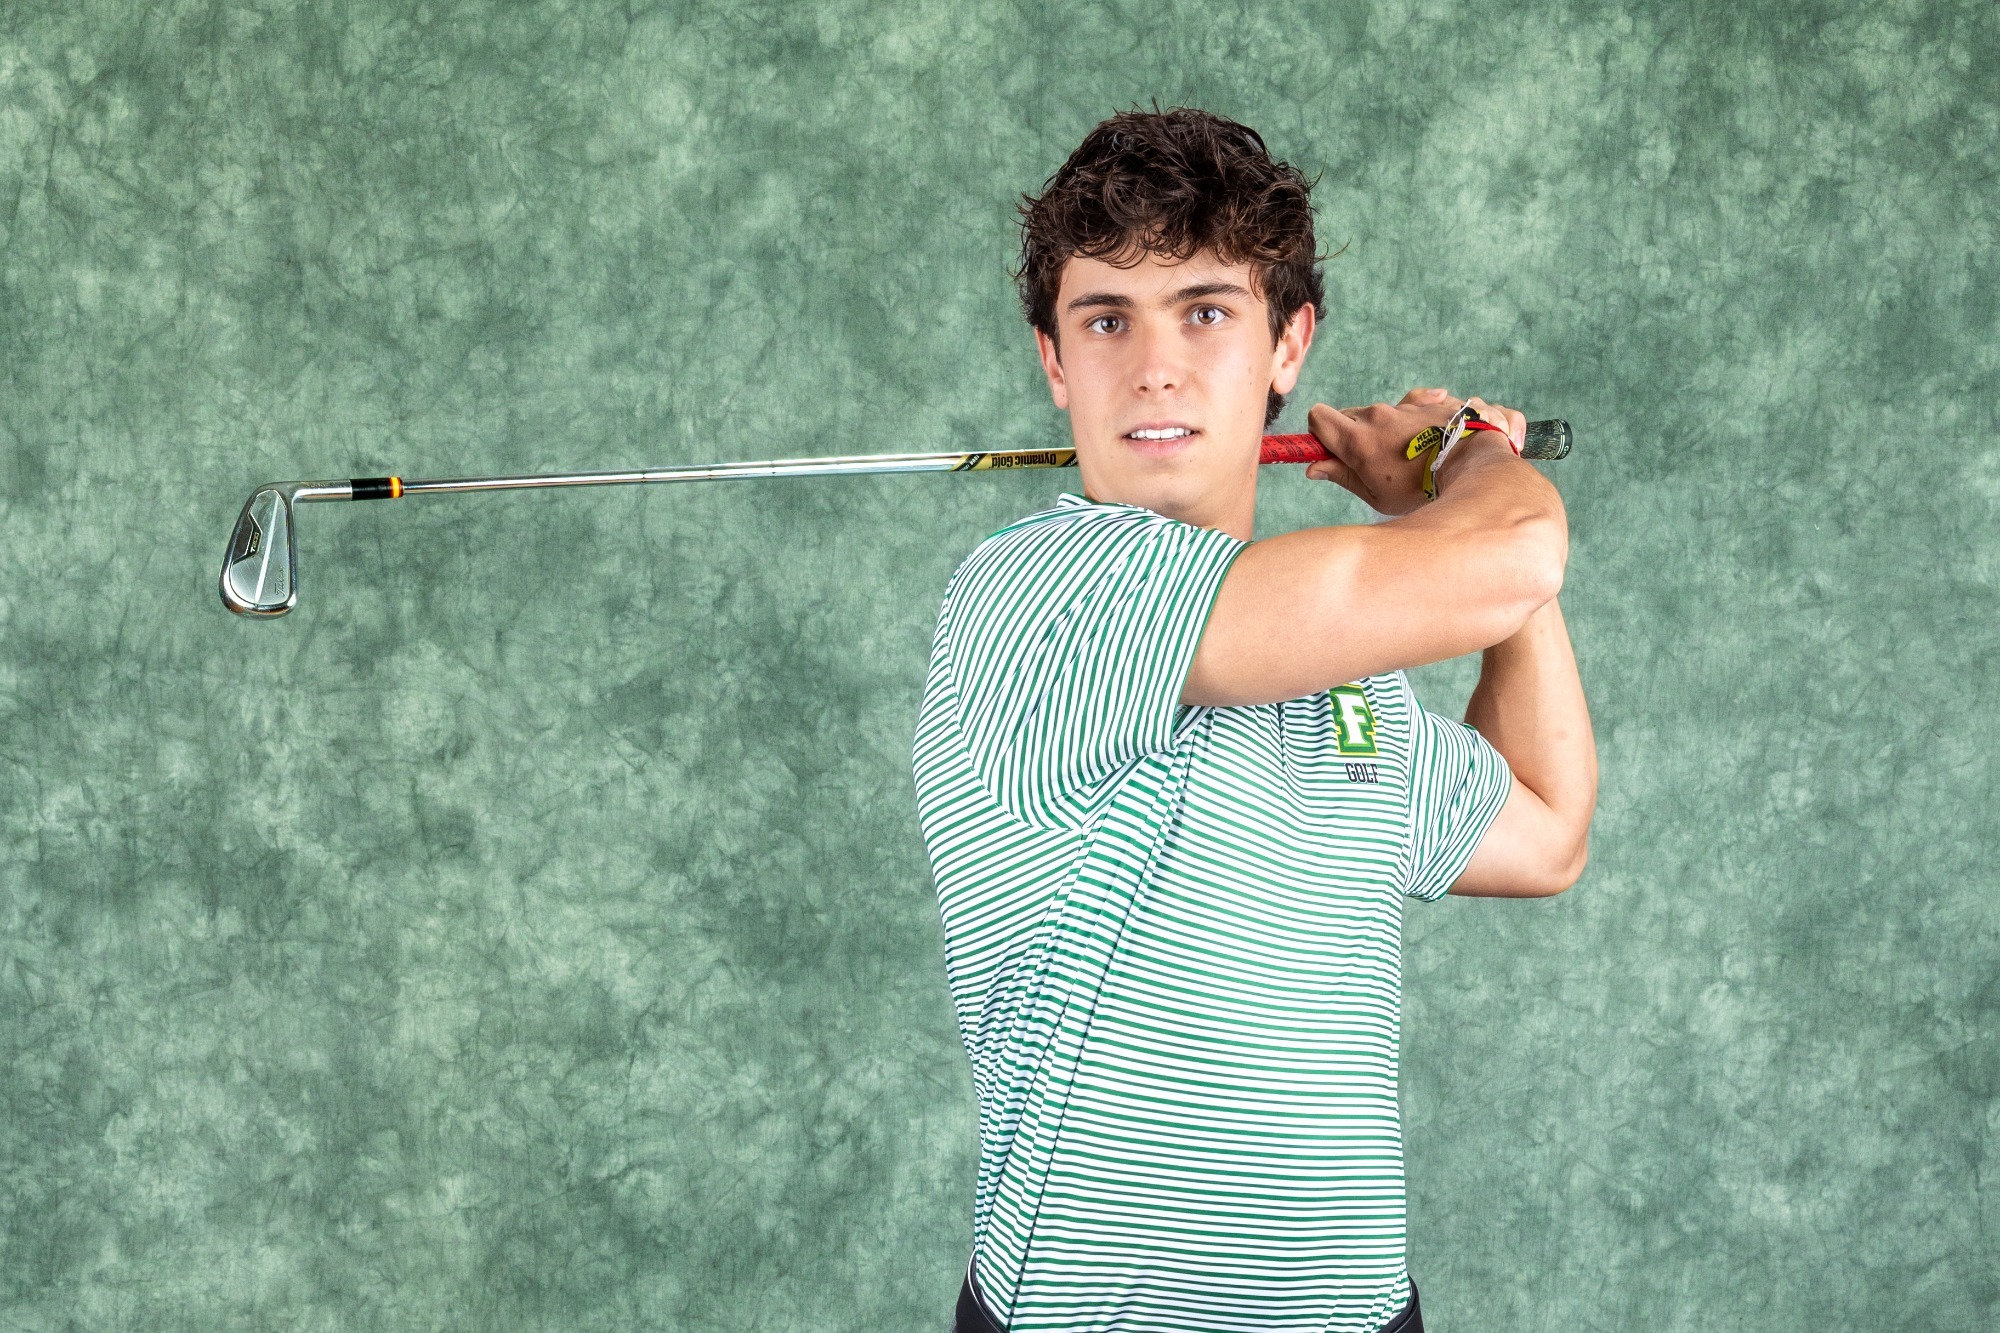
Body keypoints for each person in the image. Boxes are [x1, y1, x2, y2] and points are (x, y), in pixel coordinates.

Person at [911, 106, 1598, 1333]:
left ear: (1290, 343)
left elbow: (1544, 829)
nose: (1155, 367)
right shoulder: (1038, 594)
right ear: (1054, 361)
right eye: (1105, 319)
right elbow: (1506, 552)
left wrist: (1491, 548)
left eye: (1207, 311)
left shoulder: (1347, 674)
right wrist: (1460, 463)